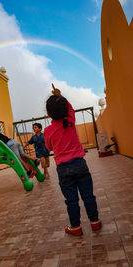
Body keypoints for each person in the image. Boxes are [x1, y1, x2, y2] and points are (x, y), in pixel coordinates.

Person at [44, 83, 101, 236]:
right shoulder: (70, 120)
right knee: (88, 195)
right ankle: (94, 222)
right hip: (79, 163)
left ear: (48, 114)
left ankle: (75, 227)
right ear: (64, 110)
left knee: (71, 200)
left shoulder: (48, 130)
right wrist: (59, 95)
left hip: (63, 167)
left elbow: (49, 147)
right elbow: (70, 109)